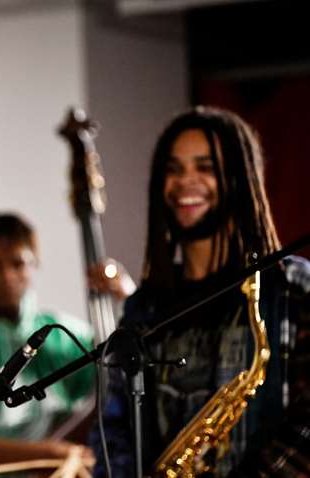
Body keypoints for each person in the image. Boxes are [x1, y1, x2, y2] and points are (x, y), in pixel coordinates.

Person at [92, 106, 310, 477]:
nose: (185, 182)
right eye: (173, 169)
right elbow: (113, 431)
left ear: (241, 180)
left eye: (205, 168)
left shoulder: (293, 288)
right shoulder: (144, 310)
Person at [0, 214, 131, 477]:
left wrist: (128, 298)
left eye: (18, 264)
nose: (8, 276)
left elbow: (118, 375)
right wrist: (48, 454)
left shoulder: (56, 331)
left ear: (34, 263)